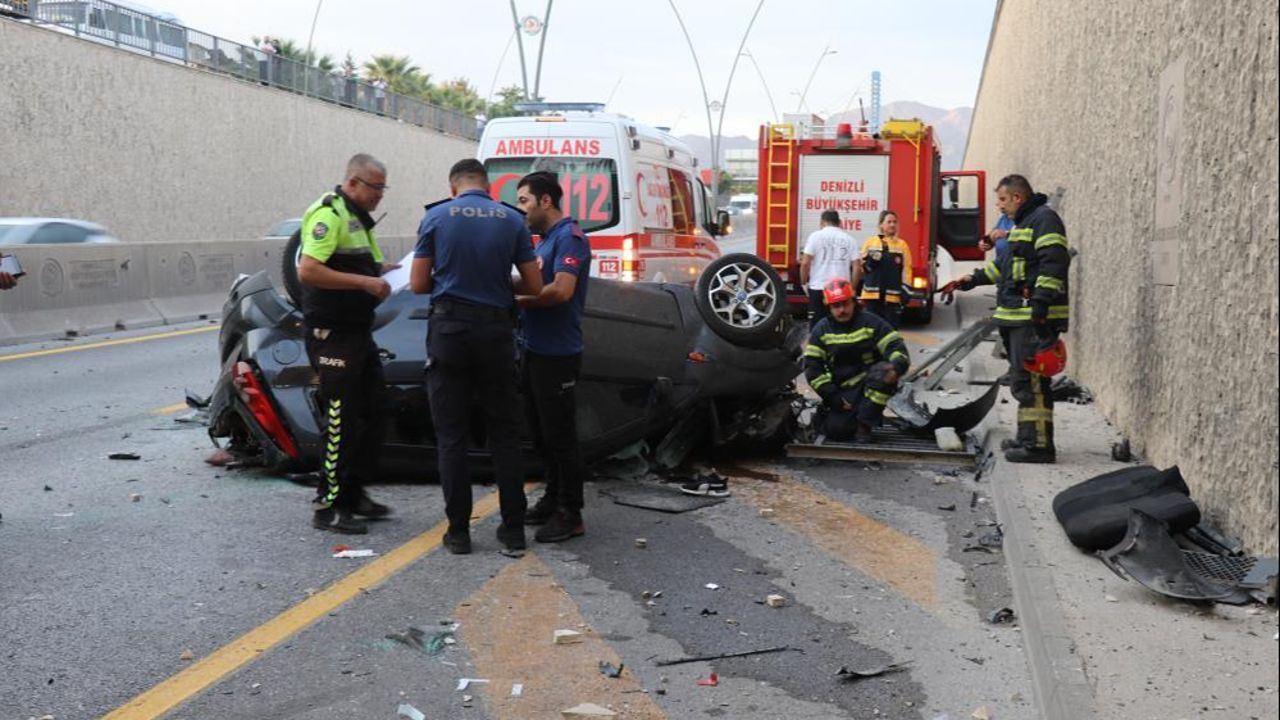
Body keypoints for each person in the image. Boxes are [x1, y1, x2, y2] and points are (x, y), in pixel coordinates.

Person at [411, 158, 543, 555]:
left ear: (454, 187)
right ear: (487, 187)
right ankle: (514, 531)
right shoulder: (510, 219)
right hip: (495, 333)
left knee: (452, 436)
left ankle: (459, 533)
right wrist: (496, 279)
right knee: (504, 433)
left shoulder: (436, 217)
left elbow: (418, 283)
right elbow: (534, 286)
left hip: (449, 332)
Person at [297, 153, 398, 534]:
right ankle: (330, 504)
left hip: (357, 331)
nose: (379, 196)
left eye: (383, 189)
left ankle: (354, 492)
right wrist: (364, 283)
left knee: (375, 411)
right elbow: (308, 269)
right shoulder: (330, 214)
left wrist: (381, 271)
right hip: (332, 333)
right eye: (375, 188)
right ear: (353, 182)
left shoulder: (358, 219)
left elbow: (355, 263)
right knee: (340, 418)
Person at [938, 174, 1070, 463]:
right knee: (1022, 382)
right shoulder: (1022, 225)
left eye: (1001, 199)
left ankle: (1038, 447)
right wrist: (968, 280)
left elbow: (1055, 261)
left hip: (1030, 318)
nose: (999, 206)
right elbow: (1004, 270)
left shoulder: (1044, 220)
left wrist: (1040, 303)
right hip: (1015, 316)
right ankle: (1028, 438)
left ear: (1017, 197)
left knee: (1032, 382)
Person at [513, 171, 593, 544]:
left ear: (546, 201)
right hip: (534, 349)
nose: (521, 209)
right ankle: (552, 497)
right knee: (542, 435)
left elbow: (561, 291)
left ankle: (570, 512)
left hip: (558, 353)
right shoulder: (543, 241)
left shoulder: (570, 239)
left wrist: (514, 301)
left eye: (525, 200)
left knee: (561, 437)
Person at [803, 278, 911, 444]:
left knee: (885, 372)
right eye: (836, 306)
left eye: (845, 304)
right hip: (842, 390)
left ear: (854, 302)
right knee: (837, 431)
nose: (842, 310)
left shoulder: (871, 322)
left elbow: (896, 347)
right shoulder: (821, 330)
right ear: (828, 307)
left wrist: (896, 367)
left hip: (870, 382)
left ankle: (865, 423)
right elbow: (813, 369)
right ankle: (834, 418)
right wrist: (832, 397)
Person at [852, 210, 913, 329]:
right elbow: (863, 268)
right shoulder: (870, 243)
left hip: (892, 297)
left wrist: (906, 291)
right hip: (872, 296)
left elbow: (907, 270)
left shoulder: (902, 245)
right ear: (881, 224)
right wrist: (871, 261)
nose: (892, 225)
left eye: (894, 222)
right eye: (889, 222)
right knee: (871, 331)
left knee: (890, 332)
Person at [799, 210, 857, 322]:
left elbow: (805, 263)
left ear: (822, 222)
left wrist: (803, 283)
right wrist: (852, 288)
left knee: (817, 325)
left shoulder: (815, 237)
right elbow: (857, 267)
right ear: (839, 222)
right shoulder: (850, 239)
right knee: (840, 324)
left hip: (818, 288)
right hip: (841, 289)